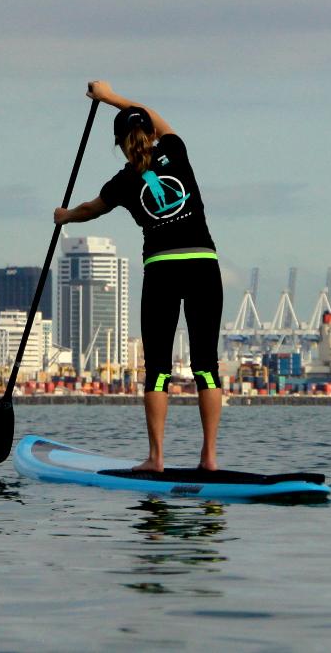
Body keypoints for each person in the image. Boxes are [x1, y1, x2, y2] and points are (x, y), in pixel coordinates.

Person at [53, 81, 222, 472]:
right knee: (206, 367)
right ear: (148, 132)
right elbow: (152, 113)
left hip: (162, 269)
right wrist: (110, 96)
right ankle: (210, 458)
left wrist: (64, 217)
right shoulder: (174, 151)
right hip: (202, 266)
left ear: (120, 143)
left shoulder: (123, 182)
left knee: (159, 369)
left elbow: (90, 210)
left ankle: (156, 459)